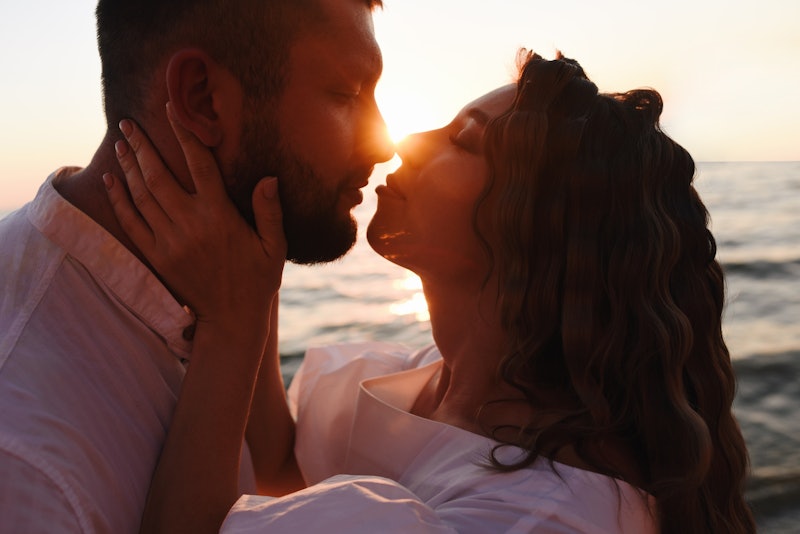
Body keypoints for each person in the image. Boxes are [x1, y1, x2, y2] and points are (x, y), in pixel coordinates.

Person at [106, 51, 756, 533]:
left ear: (531, 227)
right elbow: (284, 467)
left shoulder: (536, 518)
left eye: (462, 140)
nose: (405, 144)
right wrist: (253, 269)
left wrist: (228, 324)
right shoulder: (440, 385)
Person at [0, 0, 391, 532]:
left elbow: (277, 487)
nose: (385, 142)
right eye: (346, 94)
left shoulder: (236, 284)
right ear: (202, 98)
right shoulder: (27, 464)